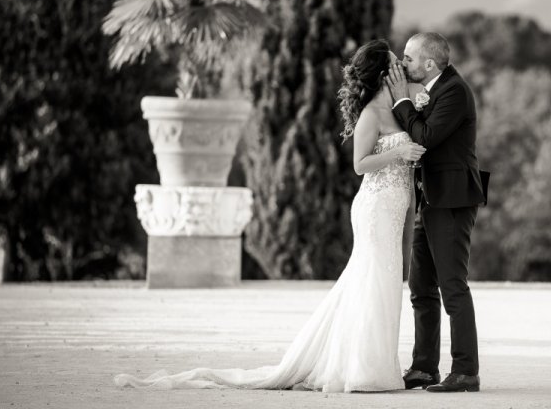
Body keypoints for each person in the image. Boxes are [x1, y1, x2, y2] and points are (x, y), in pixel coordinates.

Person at [113, 39, 426, 392]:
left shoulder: (400, 109)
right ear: (385, 73)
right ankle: (364, 370)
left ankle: (369, 363)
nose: (402, 64)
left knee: (381, 282)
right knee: (374, 280)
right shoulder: (370, 113)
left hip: (395, 208)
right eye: (396, 61)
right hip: (375, 207)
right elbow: (359, 165)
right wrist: (400, 149)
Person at [385, 32, 487, 393]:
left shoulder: (455, 91)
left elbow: (424, 137)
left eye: (409, 58)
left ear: (429, 64)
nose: (403, 63)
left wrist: (401, 102)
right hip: (430, 200)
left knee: (452, 287)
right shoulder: (435, 88)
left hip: (453, 202)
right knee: (421, 288)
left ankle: (465, 371)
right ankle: (425, 368)